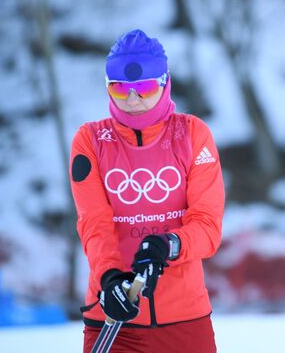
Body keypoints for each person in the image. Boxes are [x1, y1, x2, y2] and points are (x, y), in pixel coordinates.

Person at [70, 29, 224, 353]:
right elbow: (94, 224)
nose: (133, 98)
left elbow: (208, 227)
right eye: (120, 88)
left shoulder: (193, 134)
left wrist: (167, 245)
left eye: (144, 87)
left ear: (165, 83)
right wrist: (109, 278)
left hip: (185, 320)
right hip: (115, 314)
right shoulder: (90, 141)